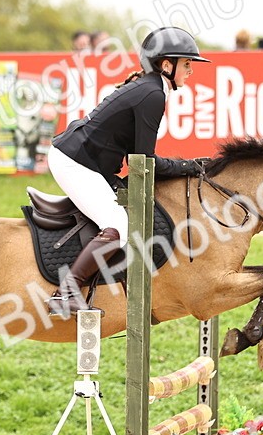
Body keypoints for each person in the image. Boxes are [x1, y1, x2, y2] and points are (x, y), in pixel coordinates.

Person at [44, 27, 211, 318]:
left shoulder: (152, 88)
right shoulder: (152, 94)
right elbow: (143, 162)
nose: (190, 71)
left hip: (85, 160)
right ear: (166, 65)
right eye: (187, 64)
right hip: (74, 161)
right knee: (117, 225)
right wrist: (190, 166)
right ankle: (66, 292)